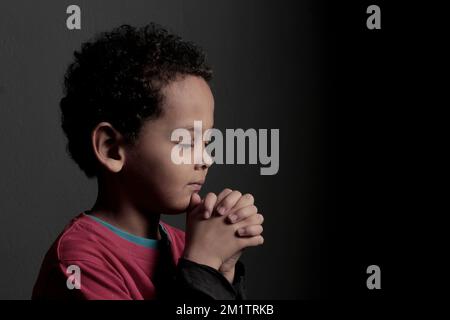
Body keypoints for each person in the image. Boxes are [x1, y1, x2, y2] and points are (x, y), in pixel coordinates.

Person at [32, 23, 264, 300]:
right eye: (187, 142)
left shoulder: (186, 245)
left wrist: (222, 272)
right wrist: (202, 269)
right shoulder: (79, 263)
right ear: (111, 148)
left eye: (207, 142)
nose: (206, 159)